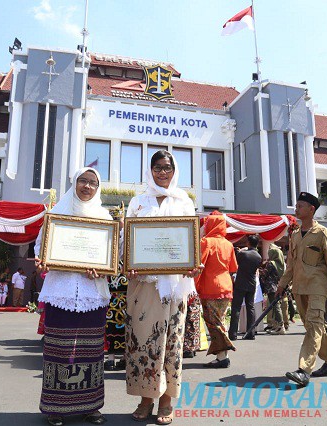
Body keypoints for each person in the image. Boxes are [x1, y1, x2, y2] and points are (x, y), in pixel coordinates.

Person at [124, 150, 201, 425]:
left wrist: (192, 263)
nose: (162, 173)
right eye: (157, 167)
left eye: (167, 167)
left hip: (175, 285)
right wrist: (128, 261)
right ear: (150, 170)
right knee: (143, 341)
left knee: (171, 342)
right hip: (144, 284)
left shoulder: (184, 202)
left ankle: (166, 399)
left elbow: (191, 240)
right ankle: (146, 398)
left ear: (174, 169)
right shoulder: (138, 201)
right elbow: (126, 240)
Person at [34, 167, 112, 426]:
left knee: (90, 352)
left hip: (93, 294)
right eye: (82, 181)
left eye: (92, 182)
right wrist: (43, 260)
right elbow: (40, 247)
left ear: (97, 187)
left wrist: (100, 269)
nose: (87, 186)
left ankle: (91, 406)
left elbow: (114, 255)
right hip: (62, 292)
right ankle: (55, 407)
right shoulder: (56, 215)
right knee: (59, 350)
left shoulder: (104, 217)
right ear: (74, 183)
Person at [277, 192, 327, 387]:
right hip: (299, 287)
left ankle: (303, 369)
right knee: (313, 328)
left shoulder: (322, 233)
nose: (296, 209)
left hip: (318, 287)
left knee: (314, 324)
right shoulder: (295, 235)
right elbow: (291, 264)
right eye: (296, 205)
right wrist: (282, 284)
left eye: (300, 206)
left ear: (311, 210)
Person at [195, 213, 238, 368]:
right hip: (226, 287)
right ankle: (222, 356)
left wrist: (193, 286)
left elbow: (199, 266)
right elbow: (233, 267)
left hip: (210, 287)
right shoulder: (228, 244)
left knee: (214, 322)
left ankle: (224, 354)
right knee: (219, 321)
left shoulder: (206, 242)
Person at [228, 235, 262, 341]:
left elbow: (235, 260)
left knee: (236, 307)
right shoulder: (258, 257)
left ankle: (233, 333)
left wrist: (240, 250)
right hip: (251, 283)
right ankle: (250, 332)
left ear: (248, 243)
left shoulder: (243, 254)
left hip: (241, 283)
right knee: (250, 307)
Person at [260, 244, 287, 335]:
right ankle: (277, 325)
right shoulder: (281, 264)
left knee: (275, 306)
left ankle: (280, 326)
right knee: (276, 306)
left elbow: (264, 274)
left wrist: (259, 270)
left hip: (271, 288)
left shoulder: (271, 264)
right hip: (277, 286)